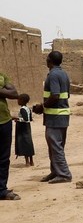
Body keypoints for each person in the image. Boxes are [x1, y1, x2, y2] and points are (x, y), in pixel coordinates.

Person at [33, 51, 73, 184]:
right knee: (55, 145)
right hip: (61, 115)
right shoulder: (63, 74)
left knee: (55, 146)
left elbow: (55, 95)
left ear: (49, 61)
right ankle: (55, 171)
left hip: (55, 116)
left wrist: (42, 107)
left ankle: (64, 174)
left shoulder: (53, 75)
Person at [0, 73, 20, 200]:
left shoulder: (1, 75)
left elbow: (14, 93)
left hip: (4, 121)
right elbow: (8, 92)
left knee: (3, 158)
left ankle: (1, 189)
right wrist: (3, 91)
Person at [14, 93, 35, 167]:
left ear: (22, 101)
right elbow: (30, 119)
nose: (17, 101)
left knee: (24, 143)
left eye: (19, 99)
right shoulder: (28, 108)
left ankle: (27, 162)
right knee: (29, 142)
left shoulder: (22, 109)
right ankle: (32, 161)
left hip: (22, 128)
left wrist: (16, 119)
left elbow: (25, 119)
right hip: (27, 127)